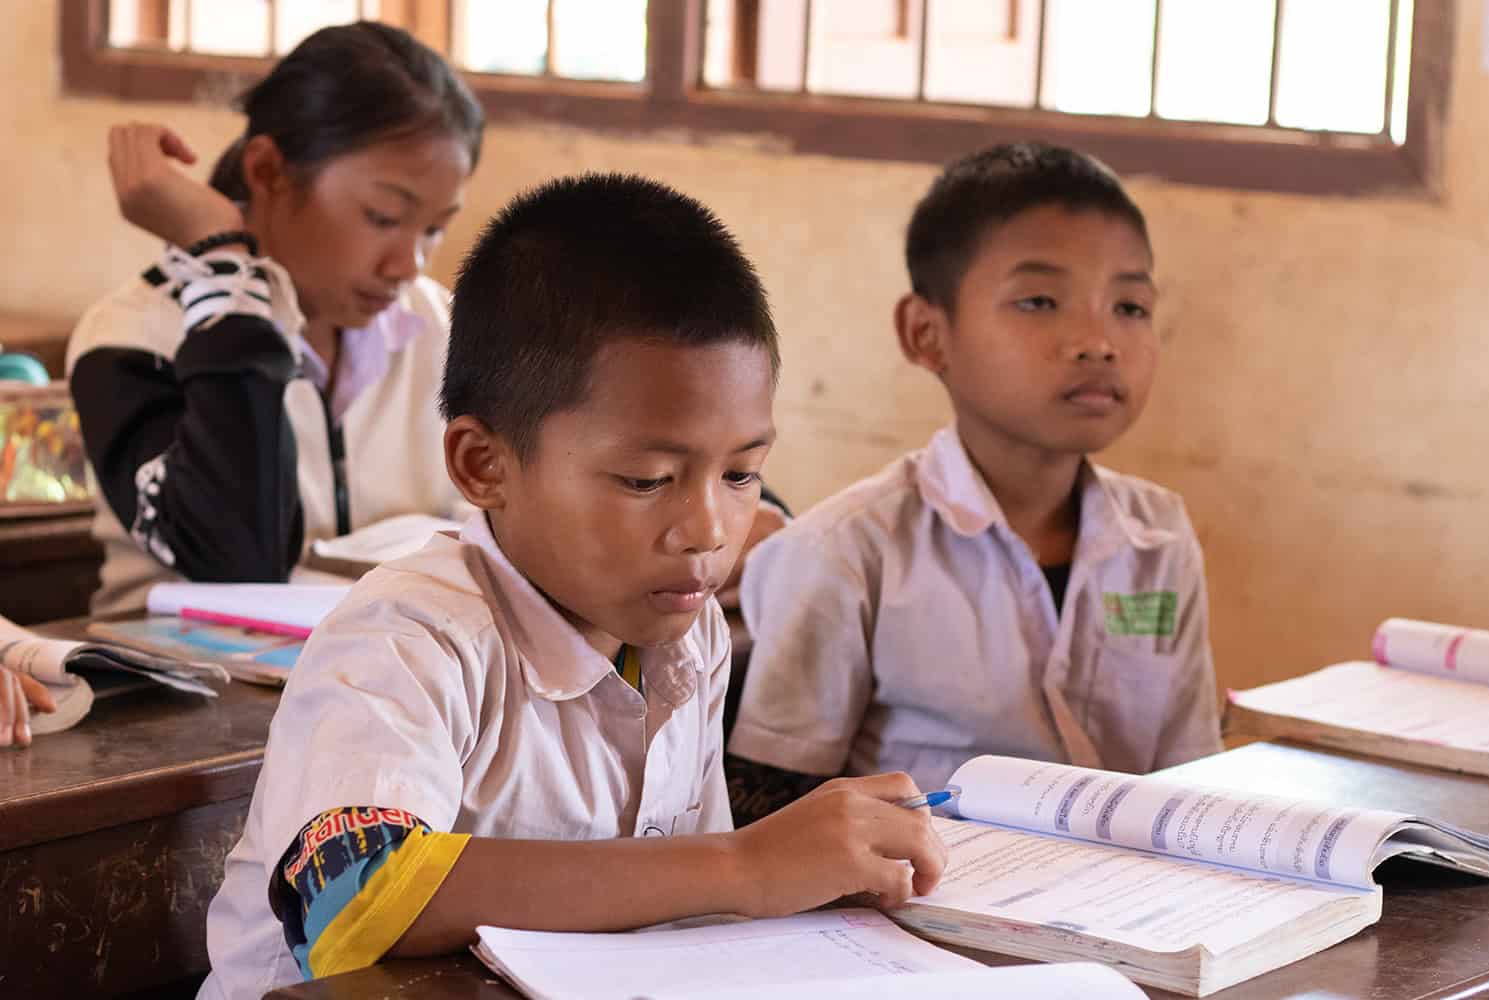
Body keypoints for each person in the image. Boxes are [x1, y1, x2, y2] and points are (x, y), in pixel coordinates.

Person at [195, 173, 947, 999]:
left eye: (742, 474)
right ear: (485, 465)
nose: (707, 528)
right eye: (646, 479)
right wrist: (744, 863)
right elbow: (349, 895)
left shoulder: (683, 636)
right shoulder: (408, 638)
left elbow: (683, 917)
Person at [726, 143, 1223, 823]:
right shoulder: (846, 552)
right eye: (1041, 301)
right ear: (927, 334)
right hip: (909, 909)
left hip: (1122, 907)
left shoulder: (1159, 538)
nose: (1098, 341)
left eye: (1130, 307)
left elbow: (1190, 781)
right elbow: (766, 809)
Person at [66, 21, 484, 616]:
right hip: (187, 699)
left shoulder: (439, 326)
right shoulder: (132, 336)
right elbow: (236, 559)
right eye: (384, 216)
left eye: (435, 227)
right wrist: (223, 269)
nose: (407, 263)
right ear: (267, 173)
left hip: (399, 684)